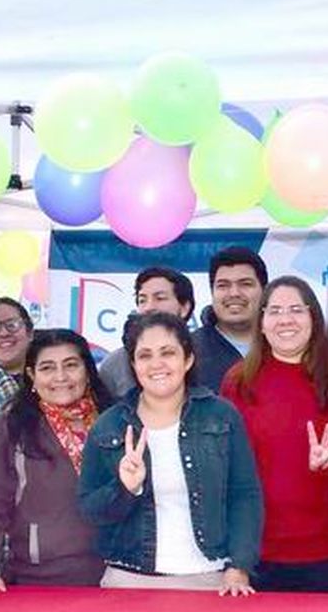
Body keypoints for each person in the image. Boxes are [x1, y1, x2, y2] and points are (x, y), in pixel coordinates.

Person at [79, 312, 263, 593]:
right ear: (133, 364)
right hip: (129, 580)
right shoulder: (109, 424)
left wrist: (239, 567)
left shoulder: (221, 415)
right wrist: (126, 489)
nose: (157, 364)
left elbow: (245, 495)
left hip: (211, 577)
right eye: (145, 355)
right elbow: (90, 510)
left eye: (168, 353)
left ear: (187, 359)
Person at [221, 277, 328, 592]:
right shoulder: (237, 382)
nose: (285, 319)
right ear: (261, 323)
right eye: (274, 311)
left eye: (296, 310)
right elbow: (229, 473)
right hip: (262, 554)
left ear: (314, 318)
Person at [0, 329, 113, 593]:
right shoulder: (15, 427)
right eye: (47, 368)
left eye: (71, 365)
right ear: (32, 376)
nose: (60, 377)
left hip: (116, 575)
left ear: (87, 370)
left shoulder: (116, 420)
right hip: (39, 581)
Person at [98, 266, 196, 398]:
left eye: (160, 298)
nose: (149, 307)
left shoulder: (206, 352)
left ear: (184, 308)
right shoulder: (115, 364)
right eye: (142, 300)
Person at [192, 246, 267, 390]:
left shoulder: (286, 347)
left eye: (245, 284)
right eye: (223, 285)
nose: (234, 293)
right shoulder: (189, 350)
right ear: (212, 292)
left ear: (265, 291)